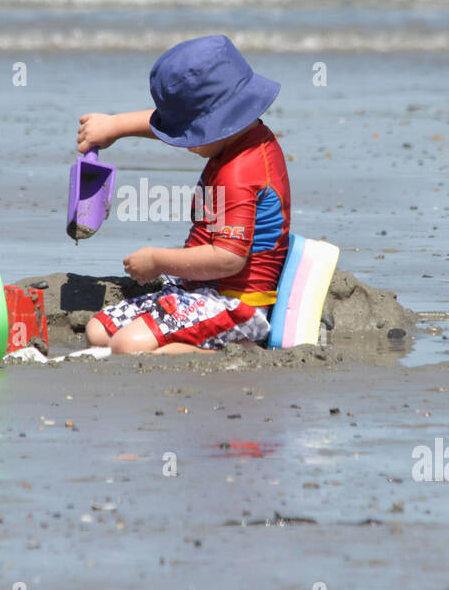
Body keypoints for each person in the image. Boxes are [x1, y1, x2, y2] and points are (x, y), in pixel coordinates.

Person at [75, 35, 291, 354]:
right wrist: (115, 126)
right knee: (99, 331)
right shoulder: (241, 132)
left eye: (189, 136)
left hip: (236, 304)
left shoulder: (240, 173)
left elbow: (228, 259)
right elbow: (189, 118)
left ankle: (239, 348)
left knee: (128, 346)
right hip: (197, 289)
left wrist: (156, 260)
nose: (184, 144)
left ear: (219, 125)